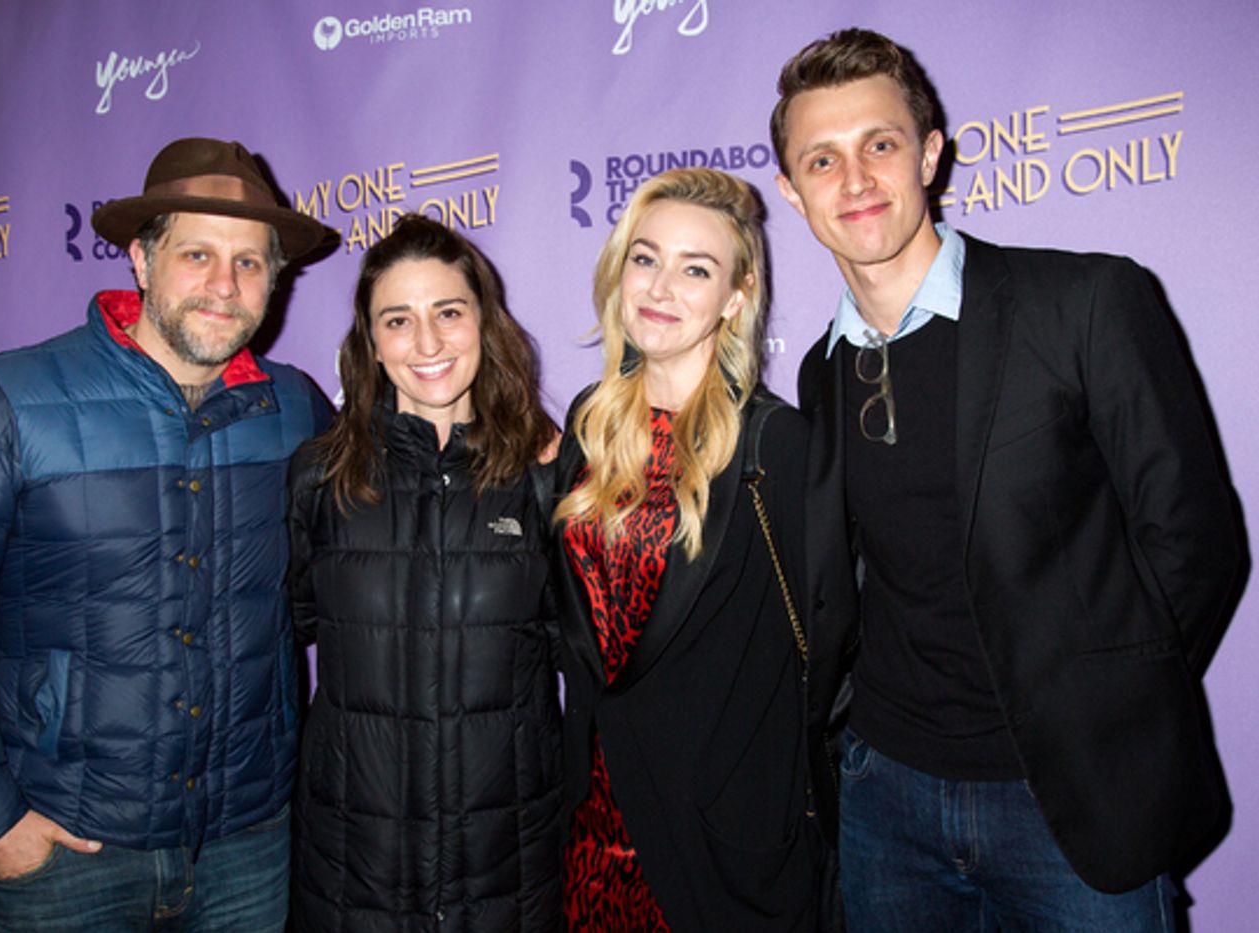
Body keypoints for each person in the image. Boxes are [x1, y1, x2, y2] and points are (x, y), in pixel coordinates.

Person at [770, 28, 1241, 931]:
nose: (856, 180)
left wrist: (1106, 710)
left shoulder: (1086, 303)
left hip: (1067, 803)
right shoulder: (821, 371)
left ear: (931, 154)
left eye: (880, 144)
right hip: (887, 801)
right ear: (792, 194)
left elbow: (1197, 547)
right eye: (821, 160)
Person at [0, 137, 338, 931]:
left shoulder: (295, 411)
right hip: (66, 857)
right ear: (140, 258)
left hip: (249, 848)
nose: (225, 285)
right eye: (197, 253)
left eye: (250, 262)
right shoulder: (2, 405)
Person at [552, 167, 829, 931]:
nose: (661, 286)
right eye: (645, 258)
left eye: (695, 268)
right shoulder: (590, 423)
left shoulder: (777, 442)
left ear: (736, 297)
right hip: (593, 826)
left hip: (720, 841)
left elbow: (830, 652)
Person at [287, 214, 563, 931]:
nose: (429, 343)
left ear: (484, 320)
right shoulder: (321, 477)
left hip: (509, 870)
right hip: (355, 872)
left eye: (448, 312)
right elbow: (288, 632)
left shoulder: (544, 474)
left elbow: (584, 653)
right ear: (371, 342)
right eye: (398, 320)